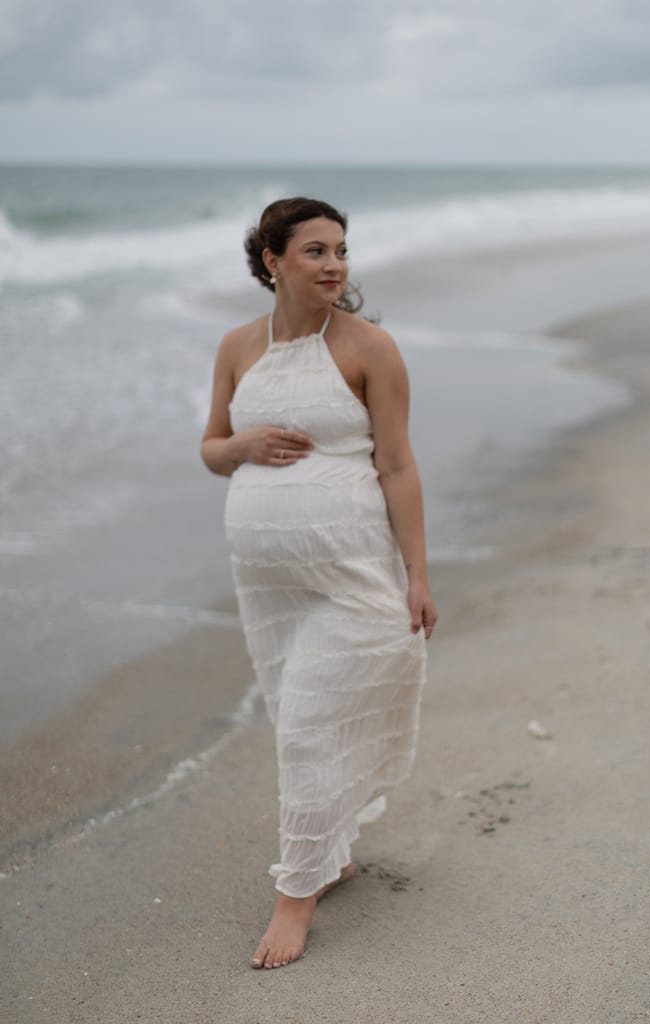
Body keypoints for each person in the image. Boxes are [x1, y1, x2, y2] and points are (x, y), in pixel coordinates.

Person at [200, 197, 437, 970]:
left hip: (350, 573)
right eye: (314, 251)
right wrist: (241, 441)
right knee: (292, 712)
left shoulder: (370, 347)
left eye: (340, 250)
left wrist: (418, 575)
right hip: (267, 586)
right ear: (271, 260)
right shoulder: (239, 347)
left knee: (307, 724)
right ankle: (329, 854)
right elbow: (210, 450)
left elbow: (397, 465)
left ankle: (294, 897)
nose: (335, 264)